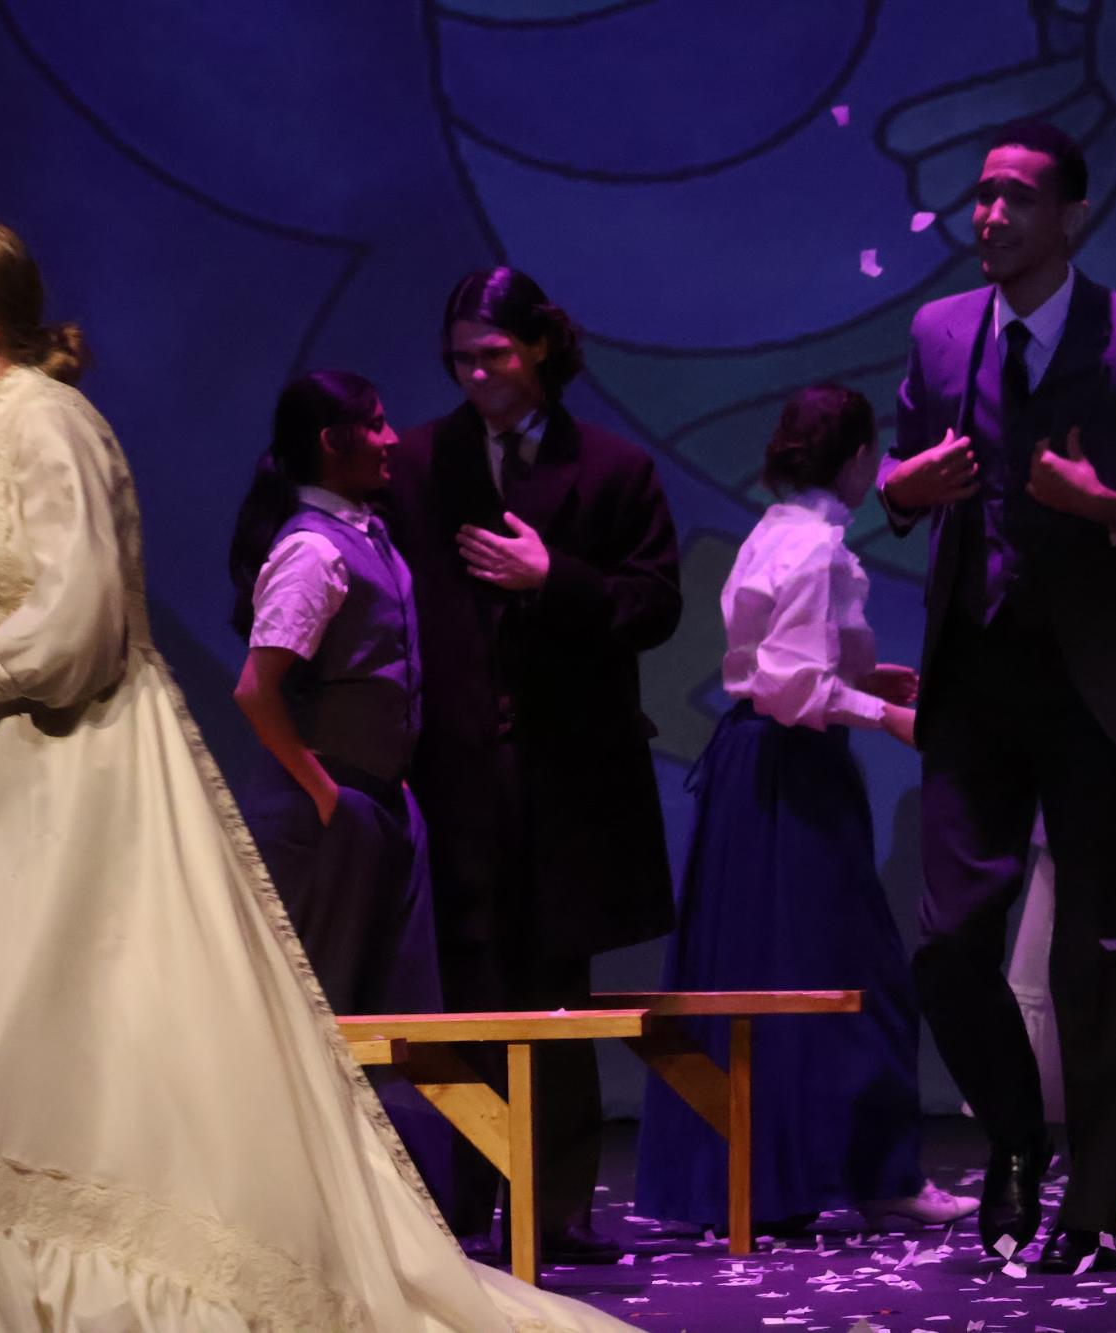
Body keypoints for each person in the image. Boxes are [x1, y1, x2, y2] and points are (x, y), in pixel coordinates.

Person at [0, 221, 628, 1331]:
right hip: (2, 771)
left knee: (16, 1035)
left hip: (69, 767)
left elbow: (75, 624)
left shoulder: (47, 426)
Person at [878, 120, 1116, 1272]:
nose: (988, 215)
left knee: (1095, 952)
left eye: (1014, 197)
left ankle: (1090, 1205)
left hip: (1096, 676)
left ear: (1072, 218)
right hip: (976, 664)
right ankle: (1014, 1138)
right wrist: (902, 490)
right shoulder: (938, 331)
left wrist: (1115, 508)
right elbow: (910, 477)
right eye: (981, 196)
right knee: (950, 940)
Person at [384, 266, 681, 1265]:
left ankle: (554, 1204)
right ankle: (467, 1195)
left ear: (541, 348)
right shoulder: (421, 463)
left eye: (495, 354)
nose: (476, 374)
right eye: (461, 357)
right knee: (466, 975)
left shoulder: (613, 467)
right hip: (456, 765)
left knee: (556, 985)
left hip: (567, 775)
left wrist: (557, 580)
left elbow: (656, 605)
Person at [634, 384, 977, 1234]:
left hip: (759, 767)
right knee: (856, 976)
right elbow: (792, 687)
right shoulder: (820, 548)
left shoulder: (771, 531)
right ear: (860, 458)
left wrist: (864, 678)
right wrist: (887, 714)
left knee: (759, 970)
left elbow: (776, 663)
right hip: (791, 768)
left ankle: (765, 1174)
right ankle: (875, 1172)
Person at [227, 369, 450, 1199]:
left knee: (391, 1008)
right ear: (333, 440)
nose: (392, 440)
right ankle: (293, 1201)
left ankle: (385, 1205)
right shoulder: (313, 547)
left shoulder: (365, 534)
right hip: (323, 812)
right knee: (318, 1012)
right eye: (378, 424)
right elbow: (256, 687)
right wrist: (323, 790)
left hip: (376, 802)